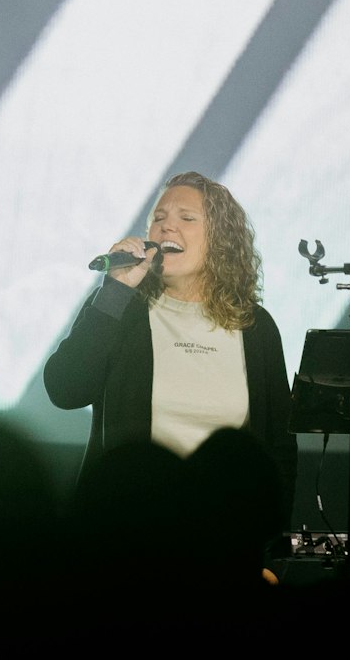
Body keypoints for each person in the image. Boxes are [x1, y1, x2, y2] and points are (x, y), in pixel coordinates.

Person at [44, 171, 298, 527]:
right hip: (130, 535)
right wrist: (116, 289)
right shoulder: (123, 311)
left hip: (224, 539)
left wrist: (269, 549)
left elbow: (279, 449)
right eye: (158, 219)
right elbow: (65, 389)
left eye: (187, 218)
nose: (166, 228)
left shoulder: (255, 327)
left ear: (221, 239)